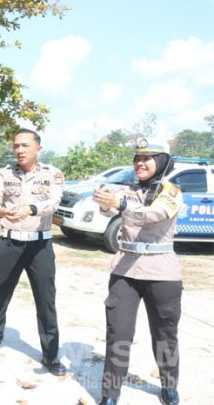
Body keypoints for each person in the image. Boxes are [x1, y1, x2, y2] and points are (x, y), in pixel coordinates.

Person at [93, 138, 183, 405]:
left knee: (164, 334)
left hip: (161, 273)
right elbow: (107, 210)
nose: (140, 163)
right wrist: (104, 201)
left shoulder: (172, 191)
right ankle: (110, 394)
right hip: (125, 270)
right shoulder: (129, 190)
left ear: (162, 161)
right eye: (137, 159)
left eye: (147, 159)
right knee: (117, 334)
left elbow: (154, 214)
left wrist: (120, 205)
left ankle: (169, 385)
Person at [0, 128, 67, 376]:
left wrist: (32, 209)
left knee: (46, 301)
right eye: (16, 145)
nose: (20, 150)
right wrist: (0, 211)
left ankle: (51, 355)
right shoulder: (4, 174)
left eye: (25, 145)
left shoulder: (52, 174)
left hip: (39, 246)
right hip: (9, 243)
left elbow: (54, 202)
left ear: (38, 148)